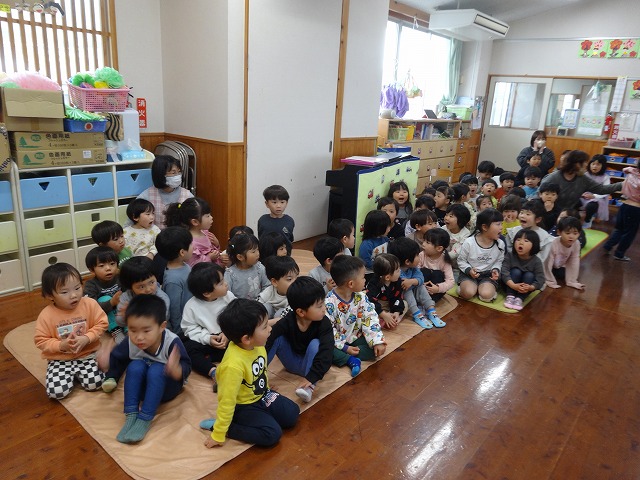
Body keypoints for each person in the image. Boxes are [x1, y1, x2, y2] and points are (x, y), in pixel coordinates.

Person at [201, 299, 300, 448]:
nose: (270, 329)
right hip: (243, 406)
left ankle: (262, 417)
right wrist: (218, 434)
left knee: (292, 413)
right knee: (272, 434)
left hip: (261, 395)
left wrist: (265, 386)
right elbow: (227, 402)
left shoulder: (257, 345)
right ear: (246, 338)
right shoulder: (232, 366)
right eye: (265, 327)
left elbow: (260, 369)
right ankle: (225, 427)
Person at [98, 295, 191, 444]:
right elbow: (118, 357)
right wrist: (107, 363)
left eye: (146, 331)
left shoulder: (171, 341)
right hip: (142, 390)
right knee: (135, 366)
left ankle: (145, 418)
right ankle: (131, 414)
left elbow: (186, 366)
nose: (139, 337)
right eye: (133, 330)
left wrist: (176, 370)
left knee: (157, 369)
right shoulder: (130, 341)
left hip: (167, 388)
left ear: (162, 326)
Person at [34, 263, 108, 399]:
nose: (74, 295)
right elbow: (41, 341)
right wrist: (61, 345)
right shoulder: (46, 315)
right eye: (64, 292)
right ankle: (69, 376)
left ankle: (77, 375)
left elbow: (102, 323)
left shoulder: (90, 304)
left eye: (77, 288)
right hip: (59, 359)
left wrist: (87, 338)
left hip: (87, 354)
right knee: (57, 392)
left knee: (96, 384)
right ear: (50, 295)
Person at [266, 277, 334, 403]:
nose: (324, 308)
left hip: (312, 365)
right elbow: (268, 342)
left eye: (323, 304)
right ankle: (257, 379)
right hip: (292, 362)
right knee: (275, 338)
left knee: (315, 344)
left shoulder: (324, 323)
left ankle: (308, 388)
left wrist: (312, 376)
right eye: (319, 306)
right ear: (301, 312)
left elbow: (327, 350)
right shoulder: (287, 321)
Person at [326, 255, 386, 376]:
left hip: (356, 337)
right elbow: (328, 330)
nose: (365, 280)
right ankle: (350, 359)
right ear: (351, 283)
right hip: (337, 342)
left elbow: (370, 318)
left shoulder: (361, 297)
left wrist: (377, 341)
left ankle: (346, 357)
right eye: (363, 277)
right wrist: (345, 348)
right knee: (324, 350)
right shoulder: (329, 302)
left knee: (375, 349)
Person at [181, 263, 235, 392]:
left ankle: (233, 369)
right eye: (221, 283)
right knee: (186, 348)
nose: (226, 284)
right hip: (208, 342)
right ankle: (213, 372)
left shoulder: (229, 297)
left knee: (246, 339)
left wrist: (228, 333)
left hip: (228, 339)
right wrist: (208, 339)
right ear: (207, 293)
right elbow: (189, 329)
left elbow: (237, 317)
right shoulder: (191, 306)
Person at [388, 237, 445, 329]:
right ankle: (416, 313)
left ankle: (431, 310)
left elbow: (421, 278)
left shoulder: (413, 268)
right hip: (400, 297)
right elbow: (403, 286)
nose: (419, 257)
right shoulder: (397, 271)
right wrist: (413, 282)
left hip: (413, 290)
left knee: (421, 286)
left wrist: (412, 281)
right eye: (417, 255)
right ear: (407, 261)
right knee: (407, 290)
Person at [539, 150, 622, 212]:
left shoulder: (582, 178)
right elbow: (538, 197)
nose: (586, 165)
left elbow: (602, 189)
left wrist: (623, 184)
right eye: (584, 162)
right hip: (549, 214)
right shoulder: (553, 178)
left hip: (567, 216)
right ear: (576, 164)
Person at [457, 208, 505, 302]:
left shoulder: (500, 244)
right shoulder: (469, 242)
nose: (501, 227)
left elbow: (499, 261)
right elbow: (461, 260)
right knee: (468, 293)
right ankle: (464, 289)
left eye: (501, 224)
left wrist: (495, 270)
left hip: (488, 275)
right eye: (498, 224)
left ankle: (486, 291)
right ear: (485, 227)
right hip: (469, 274)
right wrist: (469, 270)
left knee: (486, 295)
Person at [115, 257, 170, 336]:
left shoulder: (162, 299)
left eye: (151, 282)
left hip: (158, 333)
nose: (148, 289)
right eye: (141, 287)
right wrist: (124, 316)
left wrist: (132, 315)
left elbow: (158, 322)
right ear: (130, 287)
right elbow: (119, 322)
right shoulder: (126, 297)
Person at [137, 155, 193, 229]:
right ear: (160, 174)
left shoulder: (188, 196)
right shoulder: (146, 196)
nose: (178, 176)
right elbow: (132, 224)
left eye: (179, 172)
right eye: (173, 173)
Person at [155, 227, 193, 334]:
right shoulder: (173, 279)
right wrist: (179, 332)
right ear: (182, 252)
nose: (193, 246)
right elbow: (174, 309)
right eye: (191, 244)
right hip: (185, 328)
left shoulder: (183, 265)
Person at [164, 197, 223, 267]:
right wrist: (209, 258)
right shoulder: (189, 242)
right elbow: (193, 264)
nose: (211, 217)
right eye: (207, 216)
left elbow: (213, 251)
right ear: (195, 222)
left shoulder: (205, 232)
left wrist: (217, 245)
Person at [603, 157, 640, 262]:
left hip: (624, 205)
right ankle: (619, 254)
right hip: (635, 208)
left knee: (619, 229)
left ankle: (608, 246)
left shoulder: (632, 171)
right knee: (629, 233)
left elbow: (625, 169)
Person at [84, 246, 123, 342]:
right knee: (104, 298)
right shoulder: (91, 285)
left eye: (112, 264)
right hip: (106, 316)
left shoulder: (121, 278)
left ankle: (128, 327)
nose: (108, 268)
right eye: (101, 266)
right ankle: (116, 330)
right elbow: (92, 308)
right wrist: (111, 302)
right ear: (92, 270)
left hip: (122, 311)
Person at [501, 229, 545, 311]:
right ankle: (510, 296)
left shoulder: (536, 261)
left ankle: (520, 298)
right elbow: (504, 272)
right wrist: (513, 286)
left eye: (526, 241)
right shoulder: (510, 255)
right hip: (510, 285)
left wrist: (530, 287)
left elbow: (541, 279)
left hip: (525, 289)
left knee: (529, 275)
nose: (521, 243)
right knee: (516, 271)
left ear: (534, 245)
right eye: (518, 240)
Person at [506, 199, 554, 265]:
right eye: (521, 213)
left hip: (533, 267)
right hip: (514, 264)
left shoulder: (544, 237)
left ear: (538, 219)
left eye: (528, 214)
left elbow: (542, 258)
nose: (522, 216)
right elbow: (509, 250)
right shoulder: (513, 231)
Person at [365, 253, 406, 330]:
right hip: (378, 305)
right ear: (387, 277)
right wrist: (383, 314)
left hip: (390, 304)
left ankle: (394, 319)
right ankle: (381, 320)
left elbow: (398, 297)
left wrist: (397, 312)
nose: (400, 271)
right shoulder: (374, 283)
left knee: (405, 304)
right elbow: (370, 300)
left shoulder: (397, 281)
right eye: (397, 270)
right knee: (368, 311)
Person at [224, 233, 270, 300]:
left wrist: (261, 300)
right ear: (240, 257)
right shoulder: (230, 274)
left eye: (257, 249)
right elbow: (227, 295)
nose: (258, 254)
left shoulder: (259, 267)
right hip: (239, 305)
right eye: (253, 252)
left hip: (259, 303)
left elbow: (267, 286)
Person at [544, 216, 585, 289]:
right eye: (567, 233)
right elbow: (547, 263)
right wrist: (550, 281)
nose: (571, 236)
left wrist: (572, 281)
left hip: (558, 266)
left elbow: (574, 261)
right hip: (543, 265)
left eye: (575, 233)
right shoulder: (553, 244)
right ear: (559, 232)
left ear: (579, 233)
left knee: (562, 274)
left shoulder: (576, 243)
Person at [418, 228, 455, 302]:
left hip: (435, 290)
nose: (423, 244)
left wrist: (438, 288)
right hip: (421, 286)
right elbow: (415, 271)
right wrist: (421, 284)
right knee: (424, 271)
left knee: (438, 274)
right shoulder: (421, 255)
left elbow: (450, 281)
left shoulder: (445, 260)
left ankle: (429, 301)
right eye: (424, 240)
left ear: (439, 248)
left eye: (427, 242)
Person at [581, 154, 610, 228]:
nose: (595, 166)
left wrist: (594, 196)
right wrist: (582, 194)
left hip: (597, 199)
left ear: (603, 166)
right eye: (593, 164)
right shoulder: (585, 174)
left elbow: (605, 191)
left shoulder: (605, 177)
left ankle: (587, 222)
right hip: (583, 196)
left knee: (591, 206)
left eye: (598, 164)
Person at [358, 209, 391, 274]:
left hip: (384, 270)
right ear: (378, 228)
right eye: (387, 227)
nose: (389, 229)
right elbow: (366, 261)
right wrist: (380, 269)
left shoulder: (385, 239)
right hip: (371, 273)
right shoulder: (366, 244)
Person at [442, 204, 472, 273]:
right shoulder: (443, 229)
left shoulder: (466, 234)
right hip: (443, 264)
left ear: (461, 220)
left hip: (458, 266)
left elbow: (457, 252)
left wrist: (442, 257)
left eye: (451, 216)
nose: (446, 218)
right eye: (446, 215)